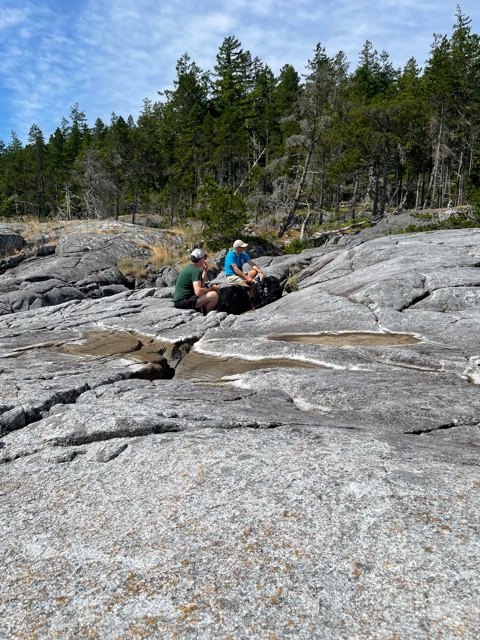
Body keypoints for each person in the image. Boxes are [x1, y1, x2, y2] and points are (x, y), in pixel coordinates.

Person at [173, 248, 220, 313]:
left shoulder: (190, 267)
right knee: (213, 295)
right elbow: (198, 292)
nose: (205, 260)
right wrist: (212, 289)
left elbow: (201, 286)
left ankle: (203, 310)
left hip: (180, 300)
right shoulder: (196, 271)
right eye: (204, 258)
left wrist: (205, 271)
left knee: (206, 292)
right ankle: (206, 314)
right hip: (183, 301)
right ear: (201, 259)